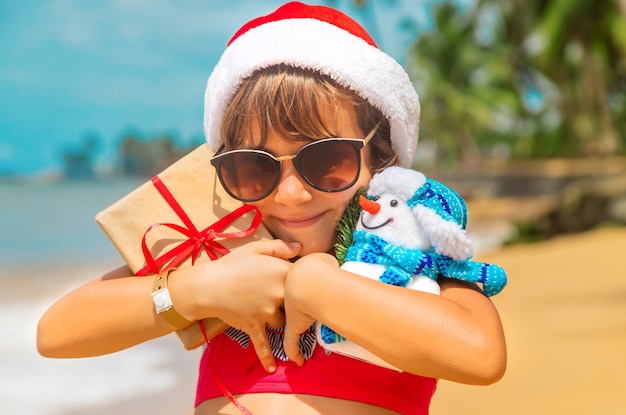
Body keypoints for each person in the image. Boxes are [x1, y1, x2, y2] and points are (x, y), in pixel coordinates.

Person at [37, 2, 506, 414]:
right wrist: (196, 289)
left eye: (326, 160)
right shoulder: (227, 259)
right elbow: (56, 333)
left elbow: (481, 355)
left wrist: (317, 285)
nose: (290, 194)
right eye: (253, 168)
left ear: (380, 159)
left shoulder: (407, 263)